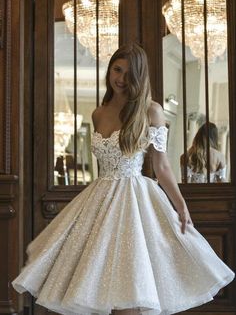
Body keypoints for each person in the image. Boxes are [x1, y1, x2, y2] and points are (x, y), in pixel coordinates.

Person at [12, 43, 234, 315]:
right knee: (101, 286)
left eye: (129, 74)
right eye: (117, 70)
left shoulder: (151, 111)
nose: (120, 79)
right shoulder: (98, 113)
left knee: (132, 286)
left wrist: (181, 205)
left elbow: (161, 166)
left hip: (134, 201)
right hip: (98, 200)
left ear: (139, 77)